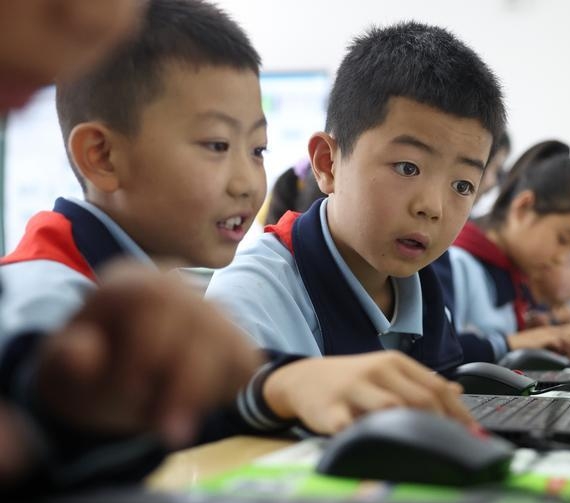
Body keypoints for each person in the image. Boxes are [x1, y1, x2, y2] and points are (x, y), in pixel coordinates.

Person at [0, 1, 470, 492]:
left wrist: (275, 385)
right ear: (103, 156)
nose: (248, 183)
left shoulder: (138, 291)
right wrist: (282, 384)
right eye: (216, 145)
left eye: (257, 150)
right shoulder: (45, 296)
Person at [205, 22, 506, 374]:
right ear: (327, 163)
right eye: (407, 168)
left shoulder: (424, 295)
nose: (432, 208)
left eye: (463, 186)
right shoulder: (250, 304)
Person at [434, 152, 570, 362]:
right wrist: (514, 342)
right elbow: (436, 351)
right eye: (563, 239)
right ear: (523, 207)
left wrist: (530, 335)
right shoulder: (454, 262)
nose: (561, 259)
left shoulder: (510, 279)